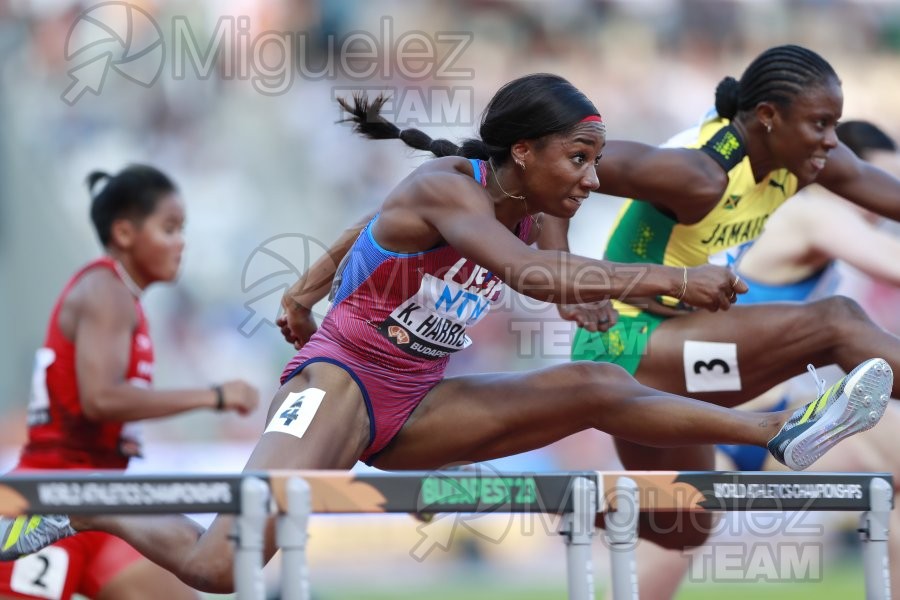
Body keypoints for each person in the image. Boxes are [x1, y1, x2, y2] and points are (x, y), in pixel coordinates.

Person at [0, 75, 891, 595]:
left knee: (594, 385)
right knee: (220, 567)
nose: (591, 181)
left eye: (594, 161)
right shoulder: (449, 189)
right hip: (343, 379)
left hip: (417, 399)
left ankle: (782, 428)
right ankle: (75, 502)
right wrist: (672, 279)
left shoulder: (532, 205)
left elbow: (500, 264)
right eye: (577, 161)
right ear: (521, 156)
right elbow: (535, 275)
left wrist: (312, 281)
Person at [544, 42, 900, 576]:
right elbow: (551, 168)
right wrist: (567, 279)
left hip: (688, 344)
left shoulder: (805, 161)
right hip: (626, 346)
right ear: (767, 117)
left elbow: (887, 194)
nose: (832, 139)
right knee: (839, 321)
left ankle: (597, 503)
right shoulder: (698, 173)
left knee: (687, 523)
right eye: (821, 123)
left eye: (836, 124)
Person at [632, 120, 900, 600]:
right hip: (713, 426)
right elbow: (892, 264)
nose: (881, 209)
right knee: (652, 578)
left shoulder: (812, 227)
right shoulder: (811, 212)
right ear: (847, 176)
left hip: (787, 420)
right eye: (878, 188)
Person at [0, 165, 260, 600]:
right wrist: (215, 396)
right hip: (50, 496)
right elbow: (99, 399)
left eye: (182, 229)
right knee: (209, 564)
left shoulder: (122, 299)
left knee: (208, 570)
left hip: (99, 499)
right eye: (169, 228)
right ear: (124, 233)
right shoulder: (106, 291)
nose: (182, 243)